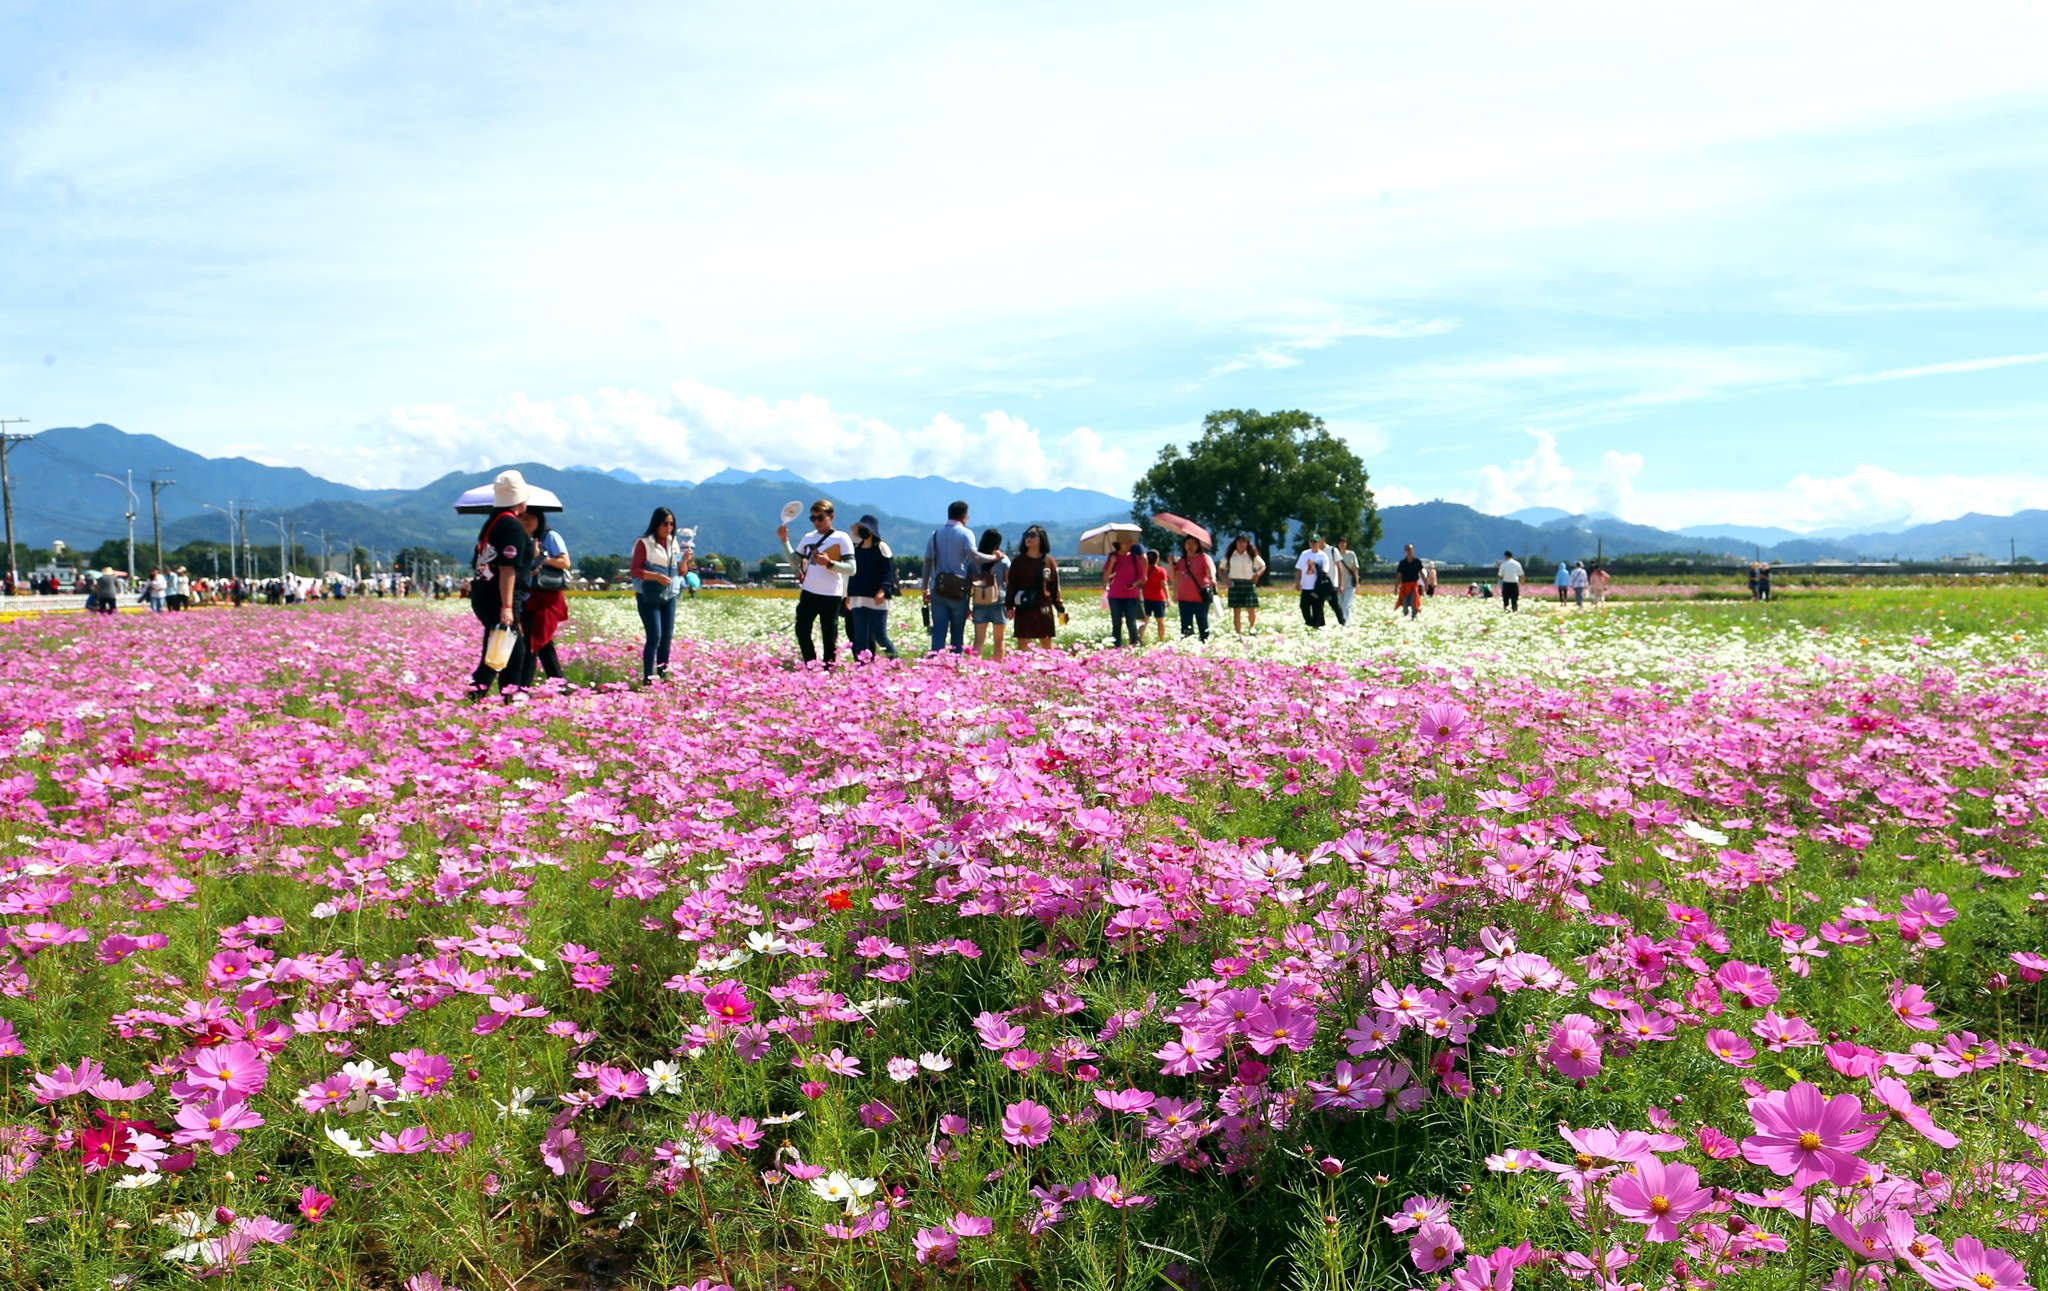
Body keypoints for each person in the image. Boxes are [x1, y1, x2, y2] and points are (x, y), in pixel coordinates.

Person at [468, 470, 534, 699]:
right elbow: (507, 568)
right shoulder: (512, 526)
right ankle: (504, 698)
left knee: (500, 648)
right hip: (500, 597)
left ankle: (480, 695)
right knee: (509, 652)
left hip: (485, 593)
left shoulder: (493, 522)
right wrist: (507, 607)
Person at [780, 499, 854, 668]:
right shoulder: (808, 537)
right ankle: (811, 665)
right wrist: (784, 540)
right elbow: (793, 561)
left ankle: (828, 670)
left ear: (831, 516)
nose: (817, 522)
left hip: (831, 595)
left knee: (829, 635)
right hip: (809, 592)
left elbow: (852, 569)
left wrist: (829, 563)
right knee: (802, 630)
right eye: (813, 518)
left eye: (820, 518)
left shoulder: (842, 538)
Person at [630, 507, 682, 684]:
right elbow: (635, 570)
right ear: (656, 523)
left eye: (671, 524)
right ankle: (648, 678)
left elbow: (680, 572)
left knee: (666, 637)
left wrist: (686, 562)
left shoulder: (673, 543)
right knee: (655, 636)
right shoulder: (644, 543)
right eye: (665, 523)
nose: (669, 527)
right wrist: (656, 576)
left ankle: (662, 675)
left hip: (669, 595)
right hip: (649, 594)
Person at [519, 509, 571, 685]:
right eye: (522, 517)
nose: (526, 521)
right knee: (542, 643)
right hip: (526, 596)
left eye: (530, 517)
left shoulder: (549, 537)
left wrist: (541, 557)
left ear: (539, 519)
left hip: (546, 597)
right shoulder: (518, 539)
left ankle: (521, 687)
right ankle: (559, 683)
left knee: (532, 642)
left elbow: (565, 562)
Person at [923, 501, 978, 654]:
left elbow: (927, 564)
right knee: (957, 633)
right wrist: (992, 557)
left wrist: (924, 589)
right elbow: (973, 556)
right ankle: (954, 667)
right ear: (964, 517)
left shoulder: (934, 535)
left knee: (939, 631)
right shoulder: (966, 534)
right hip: (958, 590)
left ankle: (936, 664)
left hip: (938, 588)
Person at [1006, 524, 1065, 650]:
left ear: (1041, 538)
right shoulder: (1018, 561)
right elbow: (1012, 585)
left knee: (1046, 641)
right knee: (1023, 641)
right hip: (1023, 606)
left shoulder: (1049, 562)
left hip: (1043, 607)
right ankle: (1023, 668)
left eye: (1032, 535)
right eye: (1026, 535)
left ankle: (1050, 668)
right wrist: (1009, 606)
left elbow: (1054, 586)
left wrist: (1060, 606)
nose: (1028, 538)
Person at [969, 528, 1012, 660]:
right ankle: (997, 670)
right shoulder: (1003, 560)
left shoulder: (975, 560)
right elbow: (1009, 583)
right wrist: (1011, 605)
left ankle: (974, 669)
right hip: (999, 602)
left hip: (979, 602)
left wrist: (967, 606)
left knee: (978, 641)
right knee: (999, 641)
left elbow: (969, 584)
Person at [1103, 536, 1147, 647]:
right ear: (1119, 544)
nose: (1128, 545)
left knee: (1131, 622)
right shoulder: (1112, 558)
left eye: (1130, 543)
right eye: (1126, 543)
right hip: (1115, 596)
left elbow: (1141, 577)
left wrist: (1134, 584)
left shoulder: (1134, 558)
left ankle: (1135, 644)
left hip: (1131, 596)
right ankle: (1116, 646)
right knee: (1116, 623)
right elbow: (1106, 577)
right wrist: (1112, 563)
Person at [1172, 535, 1217, 641]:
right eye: (1188, 543)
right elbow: (1174, 577)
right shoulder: (1181, 560)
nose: (1190, 546)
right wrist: (1171, 563)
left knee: (1202, 622)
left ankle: (1204, 642)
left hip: (1200, 597)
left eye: (1193, 543)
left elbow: (1210, 569)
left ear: (1198, 545)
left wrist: (1212, 578)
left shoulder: (1203, 557)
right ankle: (1187, 644)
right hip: (1184, 597)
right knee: (1186, 625)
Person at [1223, 535, 1266, 634]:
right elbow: (1221, 569)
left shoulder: (1251, 555)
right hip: (1234, 583)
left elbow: (1263, 566)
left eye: (1244, 542)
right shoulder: (1230, 555)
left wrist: (1257, 575)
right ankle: (1238, 632)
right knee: (1236, 610)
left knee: (1251, 608)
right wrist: (1225, 579)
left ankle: (1252, 627)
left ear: (1247, 544)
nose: (1241, 544)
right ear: (1236, 543)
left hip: (1248, 583)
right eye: (1239, 542)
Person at [1141, 549, 1169, 643]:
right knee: (1160, 621)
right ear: (1157, 559)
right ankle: (1161, 640)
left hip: (1146, 598)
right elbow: (1164, 585)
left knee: (1144, 620)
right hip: (1159, 598)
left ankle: (1140, 639)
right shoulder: (1161, 571)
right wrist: (1168, 598)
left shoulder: (1143, 570)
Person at [1334, 537, 1362, 623]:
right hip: (1338, 584)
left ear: (1347, 544)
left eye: (1344, 543)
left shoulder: (1351, 554)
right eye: (1340, 543)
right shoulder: (1335, 554)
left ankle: (1347, 622)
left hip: (1350, 583)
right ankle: (1342, 621)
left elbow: (1355, 569)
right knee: (1339, 604)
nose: (1342, 545)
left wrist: (1357, 582)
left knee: (1346, 604)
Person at [1394, 543, 1424, 619]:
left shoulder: (1417, 562)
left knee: (1414, 601)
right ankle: (1406, 616)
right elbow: (1399, 576)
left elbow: (1421, 573)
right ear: (1405, 551)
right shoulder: (1402, 563)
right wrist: (1396, 587)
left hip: (1414, 585)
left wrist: (1426, 584)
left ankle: (1414, 616)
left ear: (1413, 550)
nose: (1409, 551)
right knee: (1404, 603)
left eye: (1410, 549)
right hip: (1405, 586)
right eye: (1407, 550)